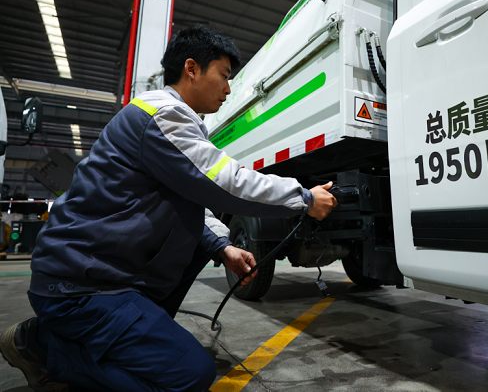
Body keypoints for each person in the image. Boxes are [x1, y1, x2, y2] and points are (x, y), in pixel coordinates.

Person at [0, 25, 337, 391]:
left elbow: (189, 201)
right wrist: (304, 199)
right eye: (224, 75)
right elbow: (226, 182)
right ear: (191, 68)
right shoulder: (162, 115)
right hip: (80, 287)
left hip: (101, 277)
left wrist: (222, 247)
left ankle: (88, 343)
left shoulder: (172, 120)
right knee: (189, 375)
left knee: (197, 256)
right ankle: (43, 347)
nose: (228, 89)